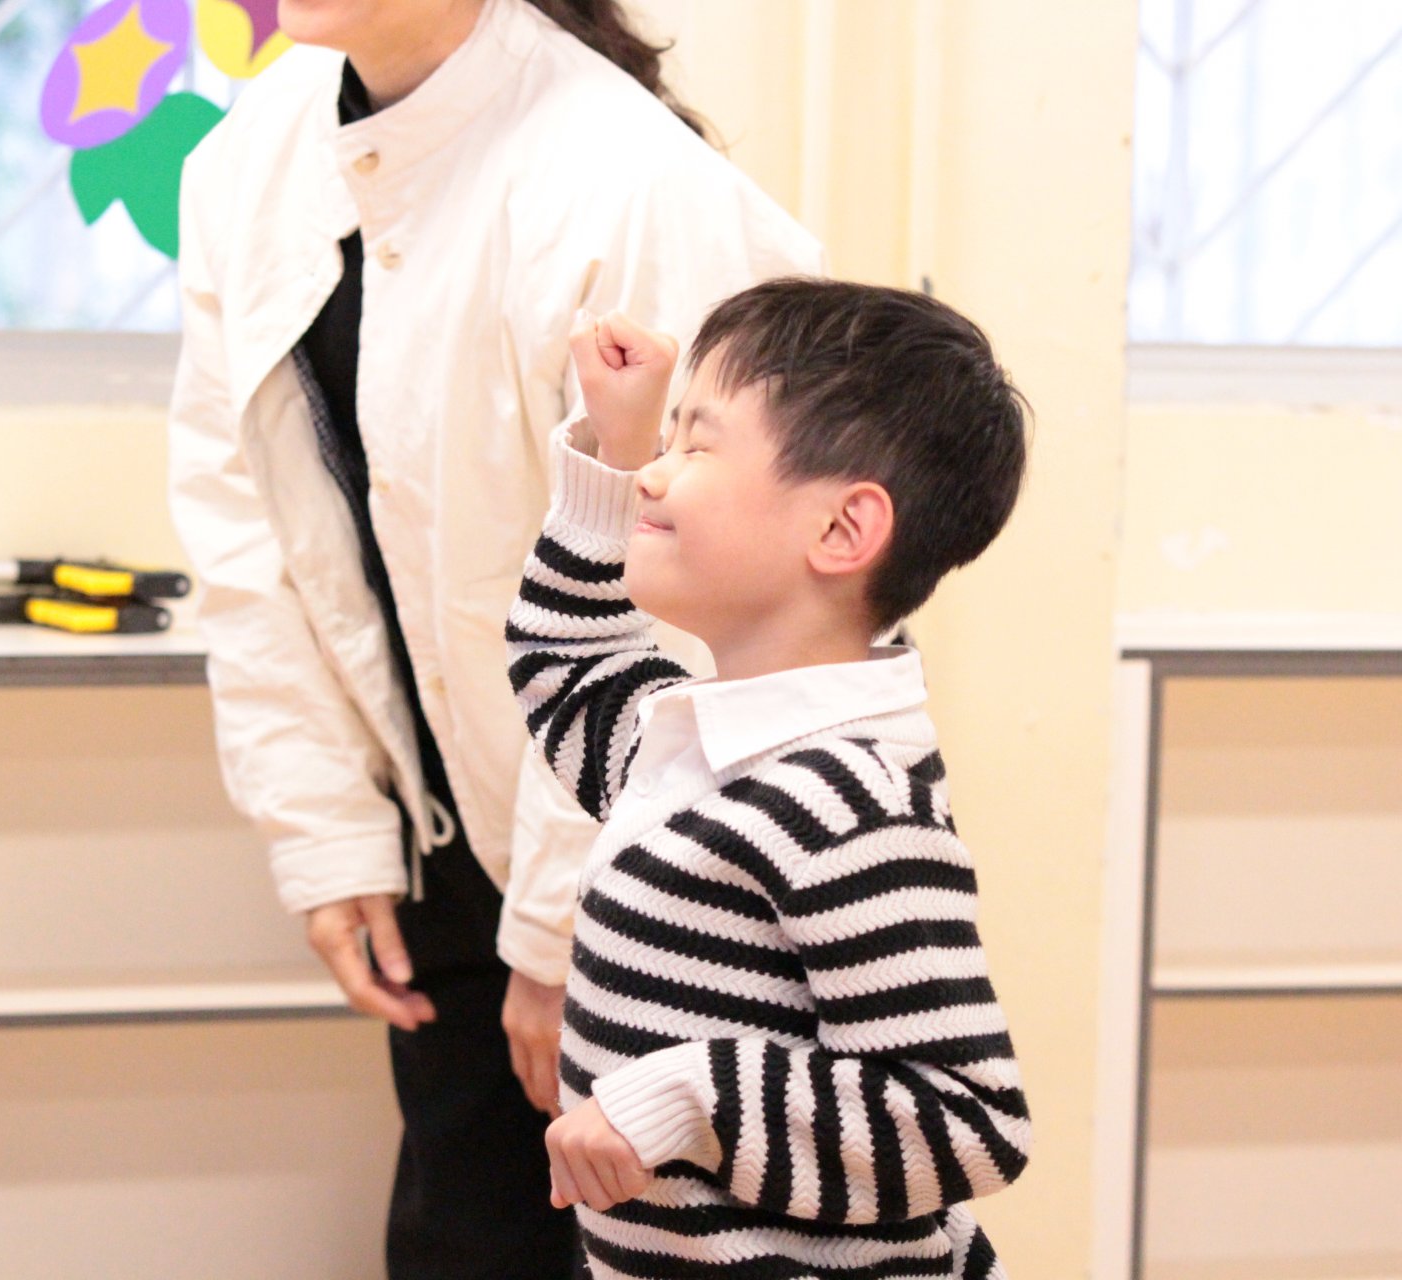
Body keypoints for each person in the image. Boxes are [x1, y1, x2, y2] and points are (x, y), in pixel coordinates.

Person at [166, 0, 822, 1274]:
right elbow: (243, 516)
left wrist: (567, 929)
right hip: (442, 827)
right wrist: (324, 828)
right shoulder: (249, 158)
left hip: (651, 860)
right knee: (461, 1237)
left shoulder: (631, 181)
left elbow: (689, 598)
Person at [503, 279, 1034, 1278]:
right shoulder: (696, 753)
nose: (657, 476)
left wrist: (690, 1096)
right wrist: (615, 449)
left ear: (840, 531)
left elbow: (966, 1120)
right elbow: (563, 658)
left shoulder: (845, 803)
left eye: (696, 447)